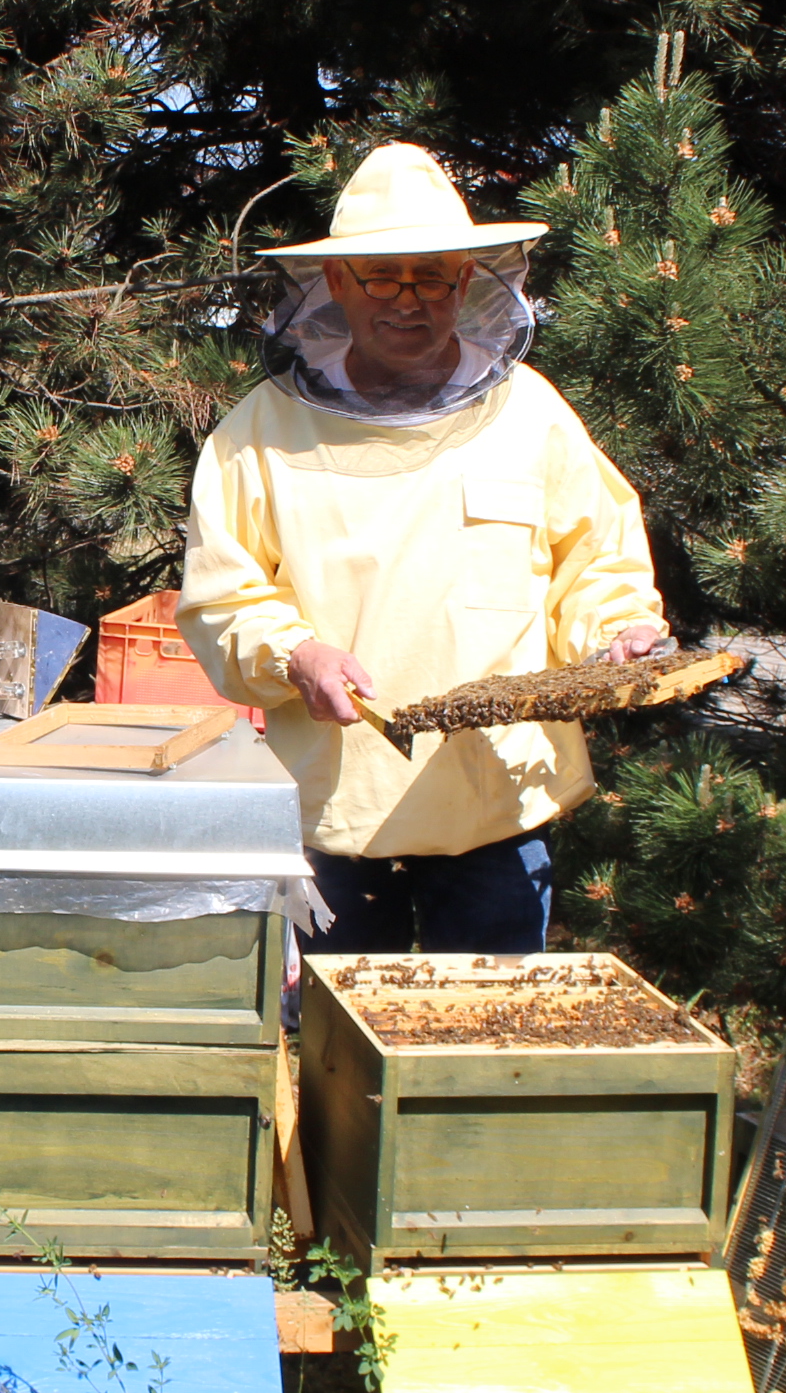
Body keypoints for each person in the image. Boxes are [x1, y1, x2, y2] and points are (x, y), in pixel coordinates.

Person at [177, 142, 666, 959]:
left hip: (498, 799)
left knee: (483, 1051)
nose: (408, 300)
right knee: (336, 1049)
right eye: (381, 277)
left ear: (467, 282)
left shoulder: (531, 414)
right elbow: (224, 596)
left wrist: (618, 638)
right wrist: (295, 653)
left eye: (431, 276)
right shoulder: (258, 433)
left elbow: (599, 562)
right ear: (335, 284)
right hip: (337, 799)